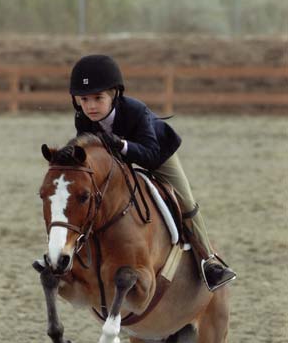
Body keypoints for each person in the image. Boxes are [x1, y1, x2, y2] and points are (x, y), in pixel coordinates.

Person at [58, 54, 236, 291]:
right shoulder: (83, 118)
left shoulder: (135, 110)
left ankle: (208, 262)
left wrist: (121, 145)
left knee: (186, 201)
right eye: (84, 99)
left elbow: (150, 154)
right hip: (117, 163)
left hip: (158, 155)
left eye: (98, 98)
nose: (90, 106)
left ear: (113, 95)